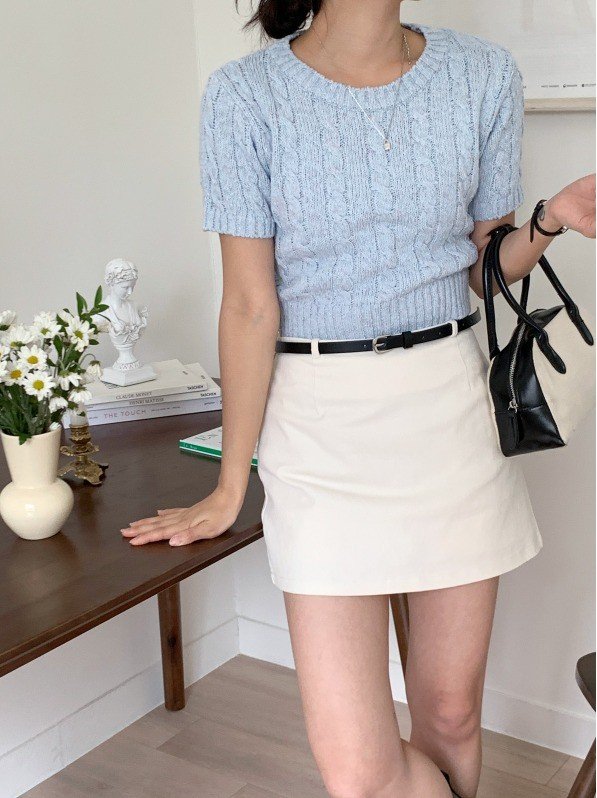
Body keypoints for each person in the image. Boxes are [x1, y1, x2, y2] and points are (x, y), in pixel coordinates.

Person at [121, 2, 596, 796]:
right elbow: (249, 305)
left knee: (450, 718)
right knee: (357, 770)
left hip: (449, 410)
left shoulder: (482, 74)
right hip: (318, 425)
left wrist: (549, 220)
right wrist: (232, 483)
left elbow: (482, 268)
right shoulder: (244, 95)